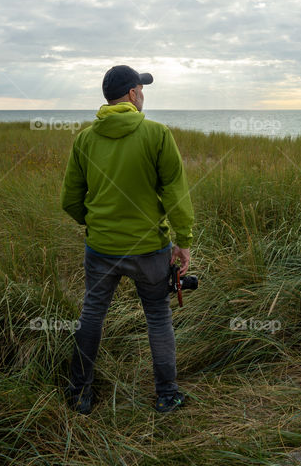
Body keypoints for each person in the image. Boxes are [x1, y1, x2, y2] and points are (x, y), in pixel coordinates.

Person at [60, 65, 194, 414]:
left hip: (101, 248)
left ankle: (79, 394)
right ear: (133, 94)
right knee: (158, 317)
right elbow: (176, 193)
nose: (143, 94)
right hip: (150, 248)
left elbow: (70, 200)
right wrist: (184, 240)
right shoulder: (157, 134)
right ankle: (167, 395)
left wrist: (96, 226)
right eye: (141, 88)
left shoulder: (85, 139)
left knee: (92, 315)